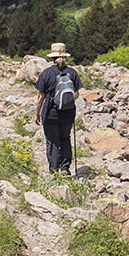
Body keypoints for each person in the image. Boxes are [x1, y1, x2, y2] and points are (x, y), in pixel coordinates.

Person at [34, 42, 82, 175]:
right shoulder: (72, 73)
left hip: (50, 114)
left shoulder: (47, 73)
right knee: (65, 138)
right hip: (68, 114)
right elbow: (76, 94)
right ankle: (65, 167)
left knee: (53, 141)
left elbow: (41, 97)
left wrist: (37, 114)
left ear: (52, 57)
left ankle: (54, 170)